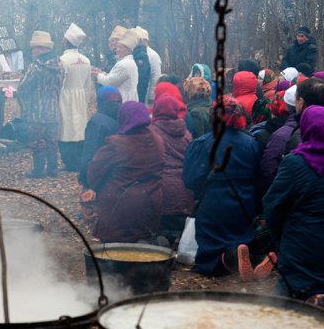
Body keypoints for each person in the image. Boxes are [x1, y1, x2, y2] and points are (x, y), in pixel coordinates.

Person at [263, 105, 324, 299]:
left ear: (304, 128)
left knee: (278, 302)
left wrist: (280, 235)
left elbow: (272, 206)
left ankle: (306, 298)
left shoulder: (294, 162)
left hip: (301, 253)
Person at [183, 96, 261, 276]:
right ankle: (245, 257)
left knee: (211, 251)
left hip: (213, 204)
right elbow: (258, 177)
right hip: (243, 202)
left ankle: (226, 261)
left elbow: (190, 179)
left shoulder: (203, 143)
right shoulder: (251, 142)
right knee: (239, 238)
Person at [86, 102, 165, 242]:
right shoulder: (158, 140)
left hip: (120, 206)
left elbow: (94, 174)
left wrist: (96, 189)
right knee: (144, 244)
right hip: (151, 202)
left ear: (122, 118)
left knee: (115, 248)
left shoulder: (115, 143)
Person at [18, 30, 64, 178]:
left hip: (36, 112)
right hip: (53, 110)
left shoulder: (36, 67)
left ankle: (38, 171)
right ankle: (52, 169)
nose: (33, 51)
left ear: (42, 49)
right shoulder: (60, 65)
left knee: (37, 141)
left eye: (35, 48)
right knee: (52, 141)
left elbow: (23, 88)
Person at [151, 95, 194, 242]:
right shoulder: (186, 133)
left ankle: (165, 240)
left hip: (162, 190)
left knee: (163, 230)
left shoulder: (152, 132)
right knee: (180, 229)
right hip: (186, 190)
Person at [57, 23, 94, 172]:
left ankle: (69, 161)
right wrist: (85, 100)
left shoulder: (62, 60)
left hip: (65, 96)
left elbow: (60, 82)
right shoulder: (86, 60)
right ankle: (79, 159)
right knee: (79, 128)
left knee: (65, 128)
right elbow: (88, 84)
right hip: (80, 96)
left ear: (66, 41)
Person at [78, 86, 122, 188]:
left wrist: (84, 178)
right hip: (123, 175)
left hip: (102, 176)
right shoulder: (126, 115)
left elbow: (90, 151)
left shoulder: (97, 122)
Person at [96, 28, 140, 102]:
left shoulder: (124, 64)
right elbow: (115, 76)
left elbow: (109, 82)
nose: (117, 50)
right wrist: (102, 73)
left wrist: (97, 75)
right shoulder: (129, 62)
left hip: (123, 99)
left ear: (128, 50)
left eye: (120, 47)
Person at [134, 27, 162, 106]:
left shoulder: (153, 56)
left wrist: (152, 96)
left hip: (147, 95)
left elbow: (155, 76)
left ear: (145, 40)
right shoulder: (135, 54)